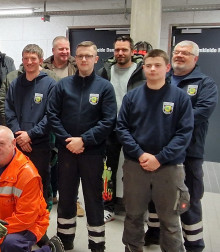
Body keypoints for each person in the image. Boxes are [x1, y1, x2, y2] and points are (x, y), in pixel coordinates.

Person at [117, 49, 194, 252]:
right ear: (143, 68)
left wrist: (159, 158)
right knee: (133, 216)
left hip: (168, 168)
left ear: (167, 68)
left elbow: (184, 134)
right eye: (148, 65)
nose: (152, 69)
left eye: (157, 65)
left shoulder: (180, 98)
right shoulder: (132, 97)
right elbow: (122, 128)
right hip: (136, 165)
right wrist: (141, 154)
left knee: (170, 220)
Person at [144, 41, 218, 252]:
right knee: (154, 195)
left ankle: (194, 243)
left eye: (185, 53)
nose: (179, 56)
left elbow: (201, 113)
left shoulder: (205, 83)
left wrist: (167, 123)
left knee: (188, 199)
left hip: (188, 152)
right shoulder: (162, 79)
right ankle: (155, 233)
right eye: (176, 52)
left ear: (195, 58)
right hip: (158, 151)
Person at [47, 41, 116, 252]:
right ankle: (65, 241)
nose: (83, 59)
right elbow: (52, 115)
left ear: (96, 59)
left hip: (92, 153)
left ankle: (97, 244)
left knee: (93, 199)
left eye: (88, 56)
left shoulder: (105, 87)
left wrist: (84, 140)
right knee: (66, 197)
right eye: (79, 56)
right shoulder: (63, 85)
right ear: (74, 59)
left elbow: (108, 120)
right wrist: (69, 140)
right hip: (67, 152)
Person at [0, 125, 63, 252]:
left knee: (10, 243)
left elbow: (26, 217)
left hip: (30, 223)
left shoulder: (27, 174)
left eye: (1, 144)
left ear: (13, 143)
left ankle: (50, 250)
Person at [97, 35, 145, 222]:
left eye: (124, 50)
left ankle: (136, 208)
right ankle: (107, 206)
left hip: (134, 130)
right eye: (117, 50)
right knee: (108, 170)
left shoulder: (141, 72)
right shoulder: (105, 71)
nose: (120, 53)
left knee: (135, 171)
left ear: (132, 51)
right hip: (110, 129)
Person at [5, 44, 56, 202]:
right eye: (26, 58)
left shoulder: (50, 84)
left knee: (39, 184)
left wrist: (30, 135)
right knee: (19, 184)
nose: (29, 62)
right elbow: (9, 111)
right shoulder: (15, 84)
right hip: (18, 143)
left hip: (40, 144)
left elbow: (51, 115)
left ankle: (40, 224)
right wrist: (20, 135)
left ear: (40, 60)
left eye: (33, 58)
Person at [41, 35, 84, 216]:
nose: (65, 52)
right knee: (51, 161)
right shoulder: (43, 67)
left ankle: (74, 200)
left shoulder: (76, 66)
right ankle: (52, 195)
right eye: (61, 49)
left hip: (70, 121)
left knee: (71, 164)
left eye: (67, 48)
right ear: (53, 51)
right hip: (49, 120)